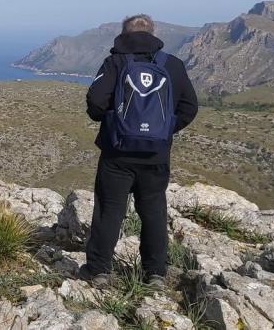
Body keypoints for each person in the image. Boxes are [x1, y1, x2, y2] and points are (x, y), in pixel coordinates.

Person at [78, 14, 199, 288]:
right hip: (156, 154)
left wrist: (115, 124)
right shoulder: (173, 65)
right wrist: (164, 130)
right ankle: (155, 273)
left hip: (117, 154)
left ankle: (98, 271)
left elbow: (96, 104)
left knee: (110, 210)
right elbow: (189, 107)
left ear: (124, 33)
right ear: (153, 33)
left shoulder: (115, 62)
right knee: (154, 210)